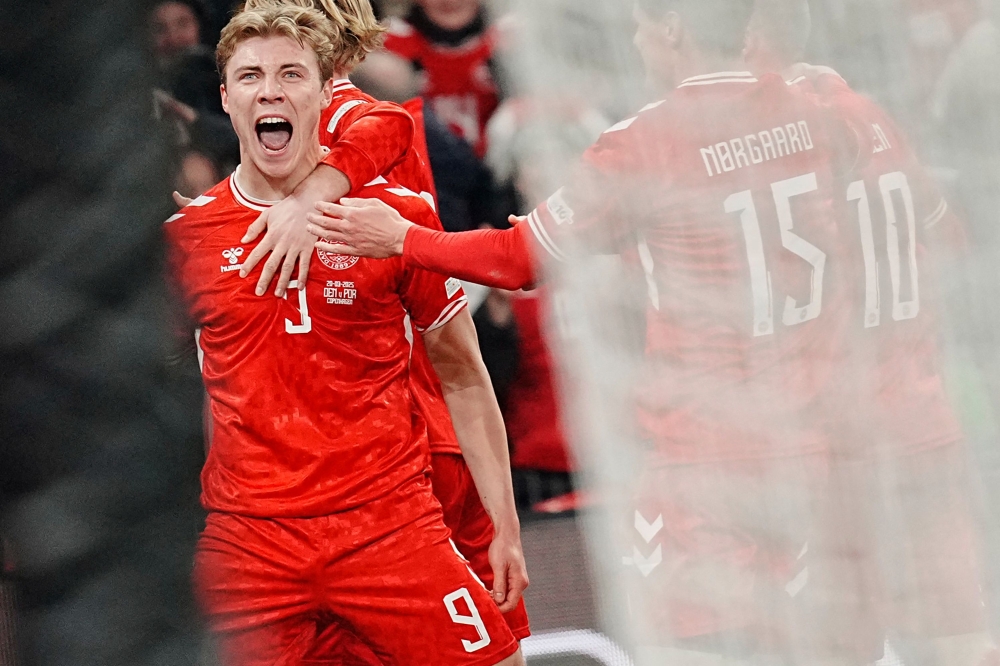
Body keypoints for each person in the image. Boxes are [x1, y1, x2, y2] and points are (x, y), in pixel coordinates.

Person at [310, 0, 866, 660]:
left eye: (638, 25)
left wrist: (406, 238)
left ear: (672, 30)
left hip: (710, 467)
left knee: (703, 649)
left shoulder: (646, 143)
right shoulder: (818, 111)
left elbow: (517, 260)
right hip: (816, 446)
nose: (633, 40)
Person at [163, 5, 527, 664]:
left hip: (387, 521)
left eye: (290, 74)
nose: (270, 90)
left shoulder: (391, 221)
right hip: (253, 538)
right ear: (226, 96)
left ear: (327, 89)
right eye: (250, 76)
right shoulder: (184, 243)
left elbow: (465, 375)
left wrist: (504, 525)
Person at [746, 2, 996, 665]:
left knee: (836, 643)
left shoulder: (782, 132)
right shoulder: (872, 114)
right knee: (960, 637)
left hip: (841, 435)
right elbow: (951, 236)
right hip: (926, 417)